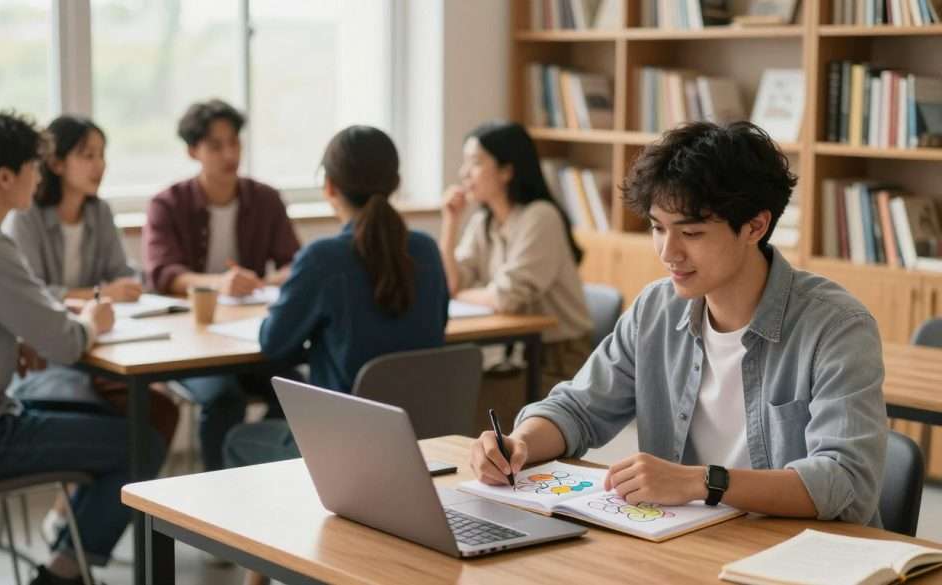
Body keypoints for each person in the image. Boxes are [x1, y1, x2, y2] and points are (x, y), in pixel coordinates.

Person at [469, 121, 888, 526]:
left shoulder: (837, 326)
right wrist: (520, 442)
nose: (669, 253)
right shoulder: (656, 308)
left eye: (691, 233)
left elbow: (845, 482)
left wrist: (702, 481)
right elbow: (578, 407)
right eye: (657, 228)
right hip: (689, 543)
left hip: (799, 556)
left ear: (755, 226)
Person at [0, 111, 165, 585]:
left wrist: (11, 342)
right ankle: (63, 571)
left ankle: (66, 550)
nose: (40, 173)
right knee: (142, 444)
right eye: (34, 165)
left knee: (121, 425)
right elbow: (67, 343)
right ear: (5, 177)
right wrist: (93, 316)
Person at [222, 125, 449, 585]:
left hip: (345, 455)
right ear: (395, 183)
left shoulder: (324, 258)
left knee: (236, 440)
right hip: (427, 443)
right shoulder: (426, 249)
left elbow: (273, 343)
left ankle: (266, 572)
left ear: (329, 187)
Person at [3, 115, 180, 543]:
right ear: (57, 163)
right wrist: (100, 292)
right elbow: (33, 295)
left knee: (160, 410)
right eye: (88, 155)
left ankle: (78, 520)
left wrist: (127, 285)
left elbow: (122, 273)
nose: (99, 165)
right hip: (47, 357)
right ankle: (77, 537)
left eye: (102, 155)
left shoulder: (99, 212)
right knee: (129, 425)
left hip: (98, 351)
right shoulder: (24, 218)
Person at [142, 98, 303, 471]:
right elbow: (164, 273)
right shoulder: (167, 204)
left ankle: (250, 470)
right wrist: (220, 284)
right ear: (192, 151)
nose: (229, 153)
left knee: (298, 392)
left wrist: (263, 281)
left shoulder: (264, 198)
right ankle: (216, 496)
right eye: (216, 146)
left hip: (252, 338)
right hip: (190, 342)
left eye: (234, 142)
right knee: (224, 398)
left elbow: (294, 262)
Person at [439, 121, 592, 396]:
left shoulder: (541, 217)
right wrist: (450, 222)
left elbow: (506, 297)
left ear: (506, 171)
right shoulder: (483, 221)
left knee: (466, 405)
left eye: (474, 163)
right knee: (451, 396)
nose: (464, 173)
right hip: (518, 355)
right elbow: (450, 284)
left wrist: (462, 292)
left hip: (559, 360)